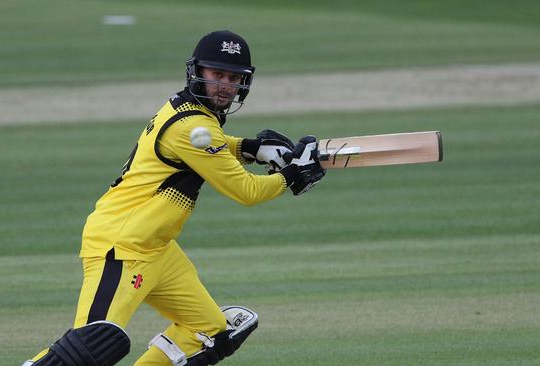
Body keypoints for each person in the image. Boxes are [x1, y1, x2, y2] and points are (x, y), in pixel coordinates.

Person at [23, 30, 325, 366]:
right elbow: (246, 191)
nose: (225, 85)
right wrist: (292, 175)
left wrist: (250, 148)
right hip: (121, 246)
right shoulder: (192, 125)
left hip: (157, 248)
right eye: (217, 75)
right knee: (90, 346)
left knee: (209, 331)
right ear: (198, 72)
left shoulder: (187, 109)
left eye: (233, 77)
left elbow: (208, 146)